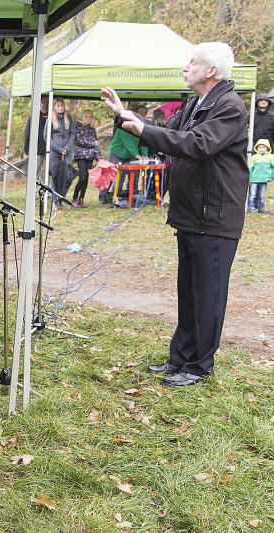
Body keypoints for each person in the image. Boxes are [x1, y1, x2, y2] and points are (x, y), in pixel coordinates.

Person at [102, 42, 248, 386]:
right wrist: (126, 115)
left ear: (210, 70)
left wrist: (141, 129)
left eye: (192, 62)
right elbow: (165, 133)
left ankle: (199, 366)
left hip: (215, 217)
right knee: (189, 291)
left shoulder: (229, 107)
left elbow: (197, 145)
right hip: (190, 214)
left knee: (208, 294)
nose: (185, 67)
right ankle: (179, 358)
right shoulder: (196, 103)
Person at [101, 105, 149, 205]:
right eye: (141, 112)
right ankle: (104, 196)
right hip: (117, 152)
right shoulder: (125, 124)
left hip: (131, 155)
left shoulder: (143, 126)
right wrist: (137, 155)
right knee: (112, 176)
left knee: (134, 177)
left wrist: (145, 155)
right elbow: (128, 143)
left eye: (145, 112)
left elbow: (144, 142)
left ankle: (131, 197)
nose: (143, 114)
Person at [45, 97, 75, 208]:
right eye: (58, 106)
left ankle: (63, 198)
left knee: (66, 176)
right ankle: (54, 200)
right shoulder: (50, 120)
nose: (60, 108)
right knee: (55, 175)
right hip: (55, 152)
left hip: (66, 152)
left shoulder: (69, 119)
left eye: (62, 105)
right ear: (54, 107)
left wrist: (67, 148)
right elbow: (47, 137)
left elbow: (72, 134)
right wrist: (58, 149)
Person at [72, 108, 101, 208]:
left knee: (86, 178)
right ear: (82, 117)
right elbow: (80, 141)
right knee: (82, 177)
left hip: (90, 156)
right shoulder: (77, 128)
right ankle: (75, 197)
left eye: (90, 117)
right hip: (81, 156)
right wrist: (92, 143)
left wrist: (99, 158)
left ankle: (81, 198)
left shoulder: (92, 130)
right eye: (86, 116)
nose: (88, 119)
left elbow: (96, 144)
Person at [23, 94, 50, 184]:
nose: (45, 104)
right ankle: (33, 190)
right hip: (36, 149)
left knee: (46, 171)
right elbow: (28, 133)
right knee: (35, 171)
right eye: (43, 102)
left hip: (48, 149)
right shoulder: (34, 117)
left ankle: (44, 191)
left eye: (47, 102)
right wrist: (27, 148)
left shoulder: (52, 117)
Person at [248, 139, 274, 214]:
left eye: (263, 147)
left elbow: (273, 167)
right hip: (254, 179)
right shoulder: (254, 157)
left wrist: (272, 176)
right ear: (256, 148)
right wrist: (249, 178)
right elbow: (251, 168)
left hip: (264, 179)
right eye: (259, 147)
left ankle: (261, 208)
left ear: (267, 148)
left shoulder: (270, 157)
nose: (261, 149)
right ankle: (251, 208)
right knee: (252, 194)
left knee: (262, 195)